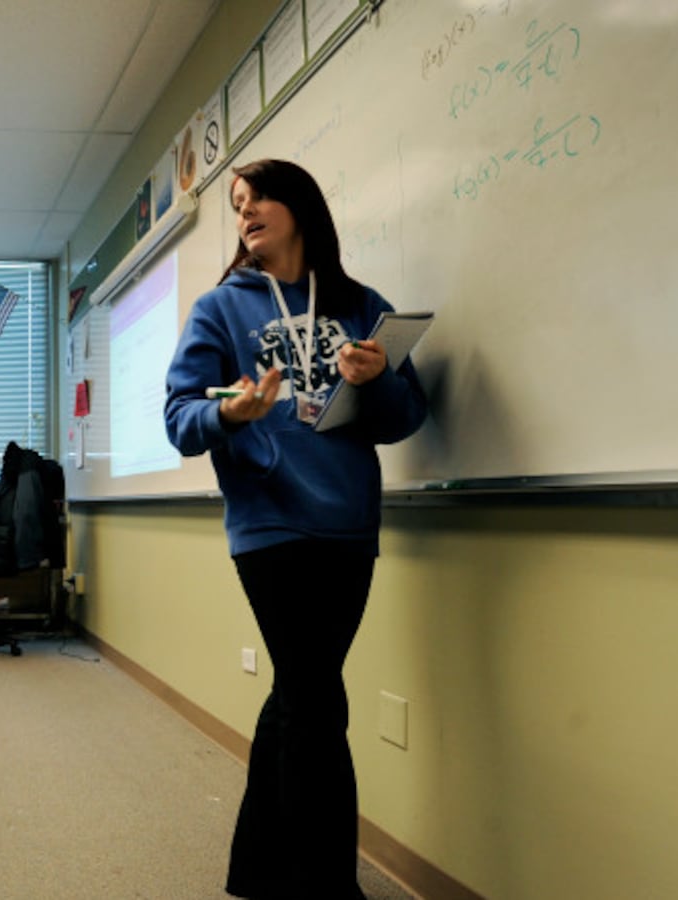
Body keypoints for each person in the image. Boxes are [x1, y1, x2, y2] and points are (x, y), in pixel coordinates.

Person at [163, 159, 428, 899]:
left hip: (348, 524)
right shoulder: (221, 309)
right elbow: (180, 420)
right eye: (237, 204)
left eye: (258, 200)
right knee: (319, 701)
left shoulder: (360, 303)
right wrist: (229, 414)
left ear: (299, 207)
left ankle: (257, 869)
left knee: (300, 693)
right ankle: (325, 886)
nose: (244, 213)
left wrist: (381, 382)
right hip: (269, 520)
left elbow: (407, 420)